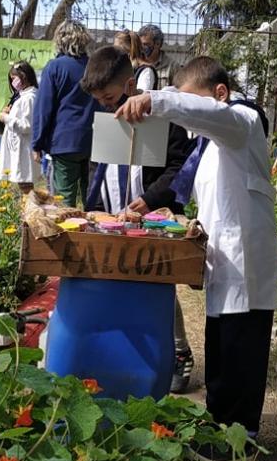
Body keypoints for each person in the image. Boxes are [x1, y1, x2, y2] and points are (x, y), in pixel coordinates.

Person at [115, 56, 277, 461]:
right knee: (222, 349)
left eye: (197, 103)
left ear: (220, 94)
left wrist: (155, 98)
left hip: (246, 262)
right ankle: (220, 428)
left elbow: (203, 112)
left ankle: (238, 441)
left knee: (240, 353)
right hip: (226, 260)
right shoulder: (213, 143)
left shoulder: (241, 120)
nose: (192, 118)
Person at [79, 45, 197, 392]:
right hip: (112, 216)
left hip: (152, 218)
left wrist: (148, 200)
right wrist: (94, 206)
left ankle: (178, 351)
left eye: (110, 97)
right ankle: (125, 353)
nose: (106, 105)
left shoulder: (162, 116)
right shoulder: (103, 116)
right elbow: (96, 165)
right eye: (99, 100)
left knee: (158, 284)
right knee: (115, 282)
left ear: (130, 85)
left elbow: (181, 167)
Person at [31, 20, 97, 206]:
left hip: (64, 142)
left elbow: (43, 109)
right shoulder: (94, 67)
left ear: (59, 40)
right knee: (91, 195)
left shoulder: (55, 67)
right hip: (94, 140)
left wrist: (37, 143)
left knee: (64, 198)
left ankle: (68, 233)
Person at [0, 61, 40, 192]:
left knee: (26, 185)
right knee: (23, 185)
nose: (12, 83)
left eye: (14, 78)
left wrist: (6, 118)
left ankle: (29, 209)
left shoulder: (29, 98)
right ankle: (27, 208)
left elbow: (27, 125)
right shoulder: (22, 97)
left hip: (24, 148)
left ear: (24, 77)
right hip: (19, 147)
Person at [139, 24, 180, 89]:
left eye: (146, 44)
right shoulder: (136, 64)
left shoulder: (172, 66)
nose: (142, 47)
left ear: (158, 44)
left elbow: (179, 91)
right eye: (140, 44)